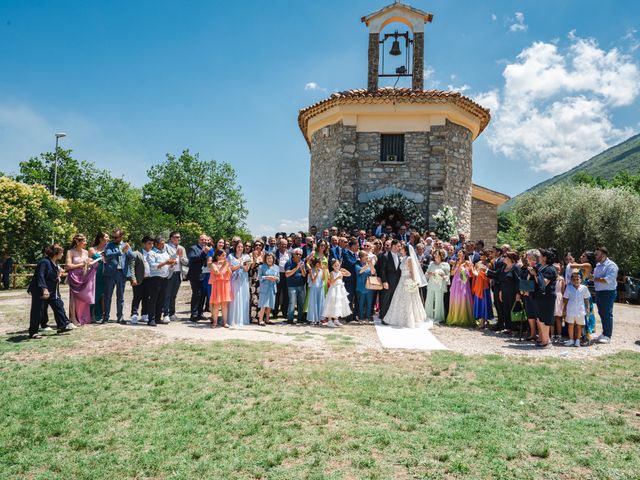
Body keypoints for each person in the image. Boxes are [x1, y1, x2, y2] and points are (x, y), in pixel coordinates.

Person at [27, 244, 75, 339]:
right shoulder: (44, 262)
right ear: (56, 253)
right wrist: (44, 289)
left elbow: (53, 275)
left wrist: (58, 276)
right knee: (38, 311)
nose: (62, 255)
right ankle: (33, 332)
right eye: (61, 253)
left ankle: (62, 325)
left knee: (58, 305)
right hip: (40, 290)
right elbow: (40, 276)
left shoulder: (54, 263)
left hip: (52, 291)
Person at [383, 244, 428, 328]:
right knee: (399, 298)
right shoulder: (403, 258)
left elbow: (412, 272)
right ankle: (399, 318)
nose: (400, 248)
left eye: (402, 248)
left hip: (407, 280)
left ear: (406, 250)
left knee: (409, 300)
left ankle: (409, 319)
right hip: (401, 280)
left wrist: (413, 282)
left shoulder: (409, 259)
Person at [65, 234, 100, 326]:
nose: (85, 243)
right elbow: (68, 266)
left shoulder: (85, 252)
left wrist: (91, 263)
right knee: (73, 297)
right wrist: (81, 264)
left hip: (84, 275)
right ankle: (73, 318)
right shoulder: (70, 252)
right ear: (77, 242)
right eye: (83, 241)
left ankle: (83, 317)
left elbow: (86, 264)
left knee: (84, 296)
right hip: (74, 276)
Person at [102, 228, 134, 324]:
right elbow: (108, 255)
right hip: (110, 274)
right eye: (112, 237)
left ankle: (120, 317)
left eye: (115, 237)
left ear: (121, 237)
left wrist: (127, 250)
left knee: (121, 296)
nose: (113, 238)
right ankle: (106, 317)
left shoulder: (125, 245)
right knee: (108, 296)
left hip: (121, 273)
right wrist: (121, 251)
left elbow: (132, 257)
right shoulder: (109, 245)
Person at [530, 249, 558, 348]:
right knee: (539, 318)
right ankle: (542, 338)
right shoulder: (540, 267)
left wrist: (535, 274)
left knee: (545, 318)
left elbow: (544, 283)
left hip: (547, 296)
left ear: (545, 258)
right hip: (539, 296)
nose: (539, 257)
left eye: (541, 256)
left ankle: (547, 341)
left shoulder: (550, 269)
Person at [145, 237, 176, 327]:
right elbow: (152, 266)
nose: (163, 245)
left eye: (164, 243)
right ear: (156, 244)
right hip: (155, 278)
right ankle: (151, 319)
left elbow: (167, 265)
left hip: (165, 278)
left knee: (161, 299)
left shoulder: (165, 253)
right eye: (161, 243)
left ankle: (158, 318)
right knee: (153, 299)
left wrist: (171, 264)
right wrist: (166, 263)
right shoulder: (151, 253)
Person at [592, 247, 619, 344]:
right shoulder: (598, 265)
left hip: (608, 292)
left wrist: (594, 278)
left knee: (607, 313)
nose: (595, 256)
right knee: (602, 313)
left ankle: (608, 335)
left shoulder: (612, 266)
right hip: (599, 292)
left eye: (597, 254)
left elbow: (607, 280)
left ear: (603, 255)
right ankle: (604, 333)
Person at [163, 231, 188, 323]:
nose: (178, 239)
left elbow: (186, 262)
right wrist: (175, 255)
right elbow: (164, 259)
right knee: (167, 295)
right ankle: (165, 314)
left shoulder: (182, 248)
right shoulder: (166, 246)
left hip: (178, 274)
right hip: (169, 273)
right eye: (176, 237)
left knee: (173, 295)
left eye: (179, 237)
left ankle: (172, 314)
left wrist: (181, 257)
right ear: (171, 238)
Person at [128, 236, 153, 325]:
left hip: (150, 279)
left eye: (152, 243)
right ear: (143, 244)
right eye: (149, 243)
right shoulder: (136, 253)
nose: (151, 245)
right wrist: (133, 279)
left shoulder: (153, 253)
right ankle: (134, 314)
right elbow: (131, 267)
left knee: (147, 298)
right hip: (139, 279)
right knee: (137, 297)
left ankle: (144, 314)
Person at [562, 270, 591, 347]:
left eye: (577, 279)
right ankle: (571, 340)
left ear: (580, 280)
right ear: (571, 280)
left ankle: (578, 340)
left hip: (580, 310)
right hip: (570, 309)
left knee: (579, 325)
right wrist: (564, 309)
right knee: (570, 324)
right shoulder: (569, 288)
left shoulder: (584, 288)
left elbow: (586, 299)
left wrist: (587, 308)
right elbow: (565, 299)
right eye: (574, 279)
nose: (576, 281)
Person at [186, 234, 211, 322]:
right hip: (195, 275)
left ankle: (200, 313)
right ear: (198, 240)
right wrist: (203, 253)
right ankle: (194, 314)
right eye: (202, 239)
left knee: (203, 295)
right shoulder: (193, 248)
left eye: (206, 240)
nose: (204, 241)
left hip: (205, 276)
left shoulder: (209, 249)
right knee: (196, 294)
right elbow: (192, 259)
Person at [446, 251, 474, 327]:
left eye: (460, 252)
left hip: (464, 282)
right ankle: (455, 318)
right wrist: (458, 266)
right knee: (455, 298)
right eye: (458, 252)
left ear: (464, 254)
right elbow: (452, 273)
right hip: (455, 282)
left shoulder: (467, 262)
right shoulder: (456, 262)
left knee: (463, 298)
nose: (458, 253)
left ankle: (464, 318)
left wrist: (466, 269)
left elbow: (471, 274)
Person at [227, 242, 251, 327]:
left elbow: (247, 269)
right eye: (238, 246)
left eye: (241, 247)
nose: (240, 248)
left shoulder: (247, 256)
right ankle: (233, 319)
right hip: (234, 280)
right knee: (234, 298)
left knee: (243, 298)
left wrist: (243, 265)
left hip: (243, 280)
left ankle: (242, 319)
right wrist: (239, 265)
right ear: (235, 247)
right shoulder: (230, 256)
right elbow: (229, 268)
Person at [322, 258, 351, 327]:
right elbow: (331, 282)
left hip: (339, 290)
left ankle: (336, 319)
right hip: (334, 289)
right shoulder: (332, 273)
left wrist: (344, 270)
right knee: (332, 303)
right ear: (332, 266)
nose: (337, 267)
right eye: (335, 265)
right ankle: (329, 320)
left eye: (338, 265)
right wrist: (338, 278)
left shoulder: (340, 272)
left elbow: (349, 274)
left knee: (338, 303)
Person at [378, 239, 402, 323]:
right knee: (385, 299)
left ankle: (391, 317)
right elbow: (382, 270)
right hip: (388, 281)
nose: (400, 248)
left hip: (397, 282)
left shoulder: (399, 256)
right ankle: (383, 317)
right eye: (399, 246)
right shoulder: (385, 256)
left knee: (393, 299)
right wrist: (384, 281)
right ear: (394, 246)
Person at [497, 251, 521, 335]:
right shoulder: (504, 267)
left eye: (505, 257)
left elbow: (518, 281)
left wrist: (518, 293)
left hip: (513, 292)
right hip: (504, 291)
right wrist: (500, 291)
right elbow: (501, 280)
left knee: (513, 309)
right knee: (506, 309)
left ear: (510, 258)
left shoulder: (516, 267)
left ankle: (515, 328)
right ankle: (508, 327)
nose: (503, 258)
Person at [424, 249, 450, 324]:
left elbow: (447, 277)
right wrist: (430, 274)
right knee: (429, 300)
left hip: (440, 285)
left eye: (437, 254)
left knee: (439, 301)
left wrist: (443, 276)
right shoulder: (431, 264)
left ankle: (438, 317)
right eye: (434, 254)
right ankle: (428, 316)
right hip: (431, 283)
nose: (435, 256)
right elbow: (426, 274)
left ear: (441, 256)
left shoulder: (445, 265)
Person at [471, 250, 494, 329]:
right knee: (479, 303)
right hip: (478, 284)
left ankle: (484, 321)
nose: (480, 256)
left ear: (486, 256)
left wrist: (482, 273)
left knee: (484, 303)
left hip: (485, 286)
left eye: (482, 255)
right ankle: (481, 320)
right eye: (480, 254)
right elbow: (474, 271)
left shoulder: (489, 264)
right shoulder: (478, 263)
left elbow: (489, 276)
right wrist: (475, 272)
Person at [209, 249, 231, 328]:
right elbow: (217, 272)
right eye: (223, 255)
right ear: (218, 256)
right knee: (216, 304)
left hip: (225, 284)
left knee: (224, 304)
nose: (225, 257)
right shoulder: (213, 264)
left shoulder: (226, 263)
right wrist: (224, 266)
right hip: (217, 285)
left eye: (225, 255)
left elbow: (230, 273)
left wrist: (227, 266)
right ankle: (214, 322)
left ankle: (225, 322)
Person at [90, 232, 108, 323]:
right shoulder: (92, 249)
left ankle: (102, 315)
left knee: (104, 295)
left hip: (106, 274)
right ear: (101, 239)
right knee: (94, 294)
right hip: (95, 274)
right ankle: (92, 315)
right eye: (106, 237)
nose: (108, 239)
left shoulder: (108, 248)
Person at [284, 248, 307, 324]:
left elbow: (304, 275)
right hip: (292, 286)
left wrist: (303, 269)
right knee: (292, 302)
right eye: (297, 254)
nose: (298, 256)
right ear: (293, 254)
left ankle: (300, 318)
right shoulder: (289, 262)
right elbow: (287, 274)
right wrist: (296, 268)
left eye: (300, 254)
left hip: (301, 285)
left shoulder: (302, 262)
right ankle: (290, 319)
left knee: (301, 303)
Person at [257, 252, 279, 325]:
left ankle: (267, 319)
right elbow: (259, 277)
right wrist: (267, 277)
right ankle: (260, 320)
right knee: (263, 304)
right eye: (268, 258)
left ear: (273, 259)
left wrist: (275, 278)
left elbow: (278, 278)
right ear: (265, 259)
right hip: (264, 288)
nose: (269, 260)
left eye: (271, 258)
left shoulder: (276, 267)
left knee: (270, 304)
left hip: (272, 288)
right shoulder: (261, 267)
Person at [355, 250, 375, 322]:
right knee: (361, 303)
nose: (367, 257)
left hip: (369, 287)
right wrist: (368, 265)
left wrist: (371, 265)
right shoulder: (357, 264)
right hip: (361, 287)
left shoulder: (369, 264)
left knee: (369, 303)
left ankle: (367, 317)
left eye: (367, 255)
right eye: (365, 255)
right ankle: (360, 317)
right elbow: (360, 271)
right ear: (361, 257)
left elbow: (373, 273)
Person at [341, 239, 359, 320]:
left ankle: (355, 315)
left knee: (356, 298)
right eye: (357, 245)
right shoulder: (346, 253)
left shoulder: (356, 254)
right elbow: (349, 263)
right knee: (349, 298)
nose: (358, 247)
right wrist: (358, 261)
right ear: (352, 246)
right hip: (349, 279)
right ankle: (348, 316)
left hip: (357, 279)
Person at [274, 238, 290, 319]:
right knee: (277, 294)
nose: (284, 246)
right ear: (278, 245)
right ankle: (275, 312)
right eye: (282, 244)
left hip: (287, 275)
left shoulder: (289, 253)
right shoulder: (275, 253)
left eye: (285, 244)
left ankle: (284, 312)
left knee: (286, 294)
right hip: (278, 275)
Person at [249, 239, 265, 322]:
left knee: (262, 297)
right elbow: (251, 267)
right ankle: (253, 317)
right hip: (254, 278)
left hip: (262, 278)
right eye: (256, 245)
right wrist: (255, 258)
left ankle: (261, 317)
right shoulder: (250, 255)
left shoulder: (264, 254)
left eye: (260, 245)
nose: (258, 246)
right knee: (254, 297)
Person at [306, 257, 325, 325]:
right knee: (313, 303)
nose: (321, 264)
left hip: (320, 288)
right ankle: (313, 319)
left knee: (320, 303)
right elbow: (313, 281)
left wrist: (322, 270)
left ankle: (319, 319)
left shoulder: (321, 270)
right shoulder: (311, 270)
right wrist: (316, 273)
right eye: (320, 263)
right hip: (314, 288)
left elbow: (323, 278)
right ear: (317, 264)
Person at [552, 263, 565, 343]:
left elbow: (563, 291)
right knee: (551, 318)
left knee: (558, 318)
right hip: (551, 298)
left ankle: (560, 335)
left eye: (558, 269)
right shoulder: (550, 278)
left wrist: (563, 303)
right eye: (555, 269)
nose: (557, 271)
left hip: (559, 298)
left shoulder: (562, 279)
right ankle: (552, 335)